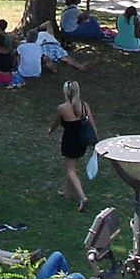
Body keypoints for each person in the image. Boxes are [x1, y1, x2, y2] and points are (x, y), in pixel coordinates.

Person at [47, 80, 97, 212]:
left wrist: (50, 131)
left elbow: (56, 123)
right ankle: (66, 192)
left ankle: (83, 197)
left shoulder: (62, 108)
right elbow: (91, 123)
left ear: (65, 92)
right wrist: (96, 140)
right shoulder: (84, 106)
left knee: (70, 170)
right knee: (72, 166)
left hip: (69, 141)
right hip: (81, 142)